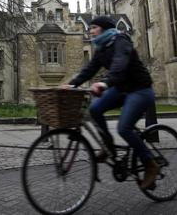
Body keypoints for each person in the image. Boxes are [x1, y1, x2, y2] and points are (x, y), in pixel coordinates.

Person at [61, 15, 159, 190]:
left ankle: (150, 163)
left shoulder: (121, 40)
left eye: (94, 28)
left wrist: (105, 83)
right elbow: (89, 70)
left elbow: (120, 64)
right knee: (94, 109)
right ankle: (109, 147)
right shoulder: (101, 48)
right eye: (89, 28)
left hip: (140, 90)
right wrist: (71, 84)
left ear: (104, 29)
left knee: (124, 128)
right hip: (121, 89)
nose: (90, 31)